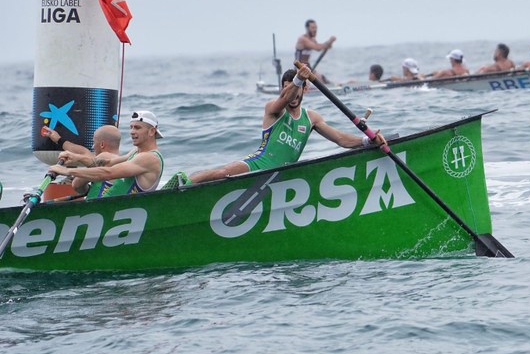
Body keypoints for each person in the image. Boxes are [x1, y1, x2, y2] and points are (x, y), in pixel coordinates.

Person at [188, 63, 387, 184]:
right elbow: (285, 98)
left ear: (306, 90)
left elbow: (341, 140)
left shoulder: (311, 118)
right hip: (259, 163)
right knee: (222, 173)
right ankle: (184, 181)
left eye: (296, 89)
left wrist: (367, 141)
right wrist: (297, 81)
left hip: (282, 172)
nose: (292, 94)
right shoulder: (274, 108)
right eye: (286, 89)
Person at [48, 111, 165, 198]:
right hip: (111, 208)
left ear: (152, 131)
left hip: (122, 211)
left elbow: (109, 173)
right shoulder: (135, 152)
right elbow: (108, 163)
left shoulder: (150, 158)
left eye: (137, 128)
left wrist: (67, 171)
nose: (132, 132)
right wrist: (77, 158)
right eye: (131, 127)